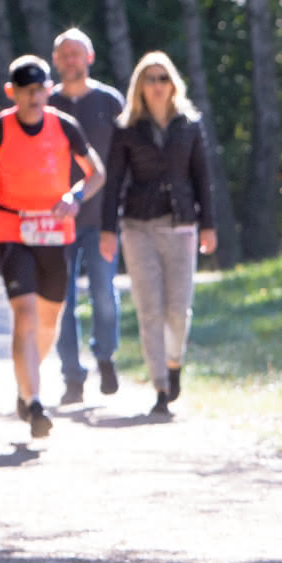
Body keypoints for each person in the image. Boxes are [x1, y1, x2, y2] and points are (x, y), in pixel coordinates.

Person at [0, 55, 107, 439]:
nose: (35, 98)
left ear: (50, 90)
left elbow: (96, 173)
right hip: (12, 226)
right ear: (12, 93)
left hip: (54, 229)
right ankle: (34, 401)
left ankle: (27, 383)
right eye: (27, 91)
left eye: (41, 90)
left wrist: (74, 196)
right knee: (25, 314)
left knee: (50, 319)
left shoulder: (65, 127)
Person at [101, 51, 218, 417]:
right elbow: (114, 181)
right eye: (150, 79)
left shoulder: (190, 124)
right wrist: (107, 229)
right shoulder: (126, 129)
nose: (156, 86)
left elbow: (202, 176)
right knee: (149, 309)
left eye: (162, 78)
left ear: (173, 84)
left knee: (177, 310)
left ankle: (173, 363)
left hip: (181, 224)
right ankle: (161, 388)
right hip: (138, 227)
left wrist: (209, 224)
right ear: (140, 86)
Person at [49, 28, 126, 405]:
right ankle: (72, 377)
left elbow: (127, 158)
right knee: (60, 302)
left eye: (76, 53)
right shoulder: (44, 105)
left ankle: (105, 356)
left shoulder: (110, 102)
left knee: (104, 295)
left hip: (102, 217)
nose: (70, 60)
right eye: (64, 54)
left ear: (89, 58)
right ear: (55, 60)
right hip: (53, 221)